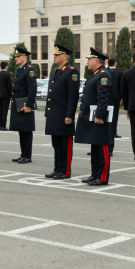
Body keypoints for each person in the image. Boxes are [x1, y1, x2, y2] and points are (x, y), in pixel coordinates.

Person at [75, 48, 113, 186]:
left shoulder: (103, 75)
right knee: (95, 147)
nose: (87, 62)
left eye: (89, 59)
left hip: (99, 117)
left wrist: (100, 115)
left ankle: (102, 177)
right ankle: (94, 174)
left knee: (102, 147)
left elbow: (103, 97)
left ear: (96, 60)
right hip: (92, 116)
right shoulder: (95, 74)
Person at [44, 45, 80, 180]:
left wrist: (69, 115)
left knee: (65, 145)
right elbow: (50, 94)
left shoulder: (71, 72)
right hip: (54, 114)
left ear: (65, 56)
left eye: (57, 55)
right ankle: (57, 168)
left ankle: (65, 170)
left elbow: (73, 96)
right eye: (54, 55)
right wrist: (47, 113)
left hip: (64, 115)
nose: (54, 57)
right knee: (56, 145)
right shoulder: (54, 72)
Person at [9, 47, 37, 163]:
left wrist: (29, 105)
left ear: (25, 57)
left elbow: (32, 89)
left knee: (26, 130)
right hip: (17, 103)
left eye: (18, 56)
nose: (16, 58)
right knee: (21, 130)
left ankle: (27, 156)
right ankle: (23, 154)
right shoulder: (18, 69)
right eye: (15, 56)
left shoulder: (29, 70)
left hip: (25, 103)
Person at [107, 57, 123, 141]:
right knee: (115, 115)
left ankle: (108, 131)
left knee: (106, 115)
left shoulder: (106, 71)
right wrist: (121, 97)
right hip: (116, 97)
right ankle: (114, 131)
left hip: (107, 97)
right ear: (115, 63)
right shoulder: (119, 73)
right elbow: (121, 86)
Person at [0, 61, 12, 131]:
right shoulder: (7, 75)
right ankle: (4, 125)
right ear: (6, 66)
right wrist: (11, 95)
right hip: (6, 95)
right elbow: (9, 86)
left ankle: (0, 125)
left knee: (0, 110)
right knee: (5, 110)